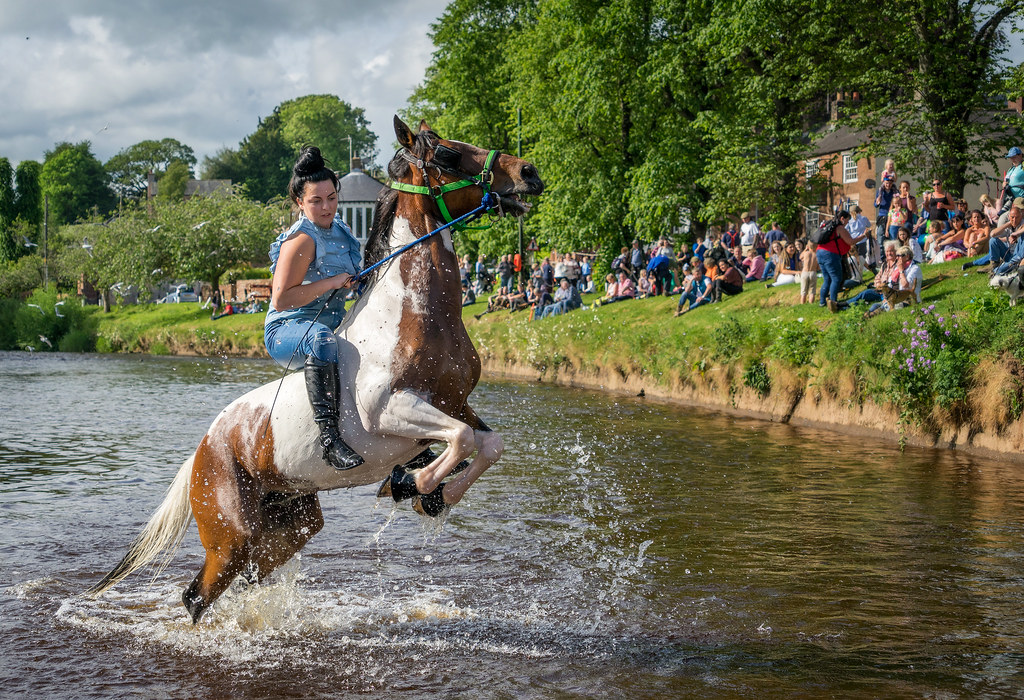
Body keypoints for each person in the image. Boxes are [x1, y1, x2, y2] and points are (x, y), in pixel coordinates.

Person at [264, 146, 363, 471]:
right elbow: (281, 299)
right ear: (299, 202)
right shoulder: (302, 239)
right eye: (316, 201)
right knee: (322, 339)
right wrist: (333, 282)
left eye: (331, 198)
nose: (326, 207)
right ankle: (330, 440)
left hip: (329, 328)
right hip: (288, 332)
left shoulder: (342, 230)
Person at [816, 210, 855, 312]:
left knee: (827, 278)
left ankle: (822, 302)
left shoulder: (828, 225)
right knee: (836, 278)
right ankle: (833, 302)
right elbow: (850, 241)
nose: (847, 223)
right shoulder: (839, 228)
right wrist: (864, 236)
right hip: (830, 254)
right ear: (842, 218)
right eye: (847, 220)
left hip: (819, 252)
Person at [997, 147, 1024, 224]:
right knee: (1001, 219)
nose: (1012, 159)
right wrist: (1004, 184)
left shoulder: (1023, 166)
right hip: (1010, 200)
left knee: (1017, 221)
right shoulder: (1011, 169)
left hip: (1020, 201)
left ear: (1020, 155)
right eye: (1010, 157)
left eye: (1014, 157)